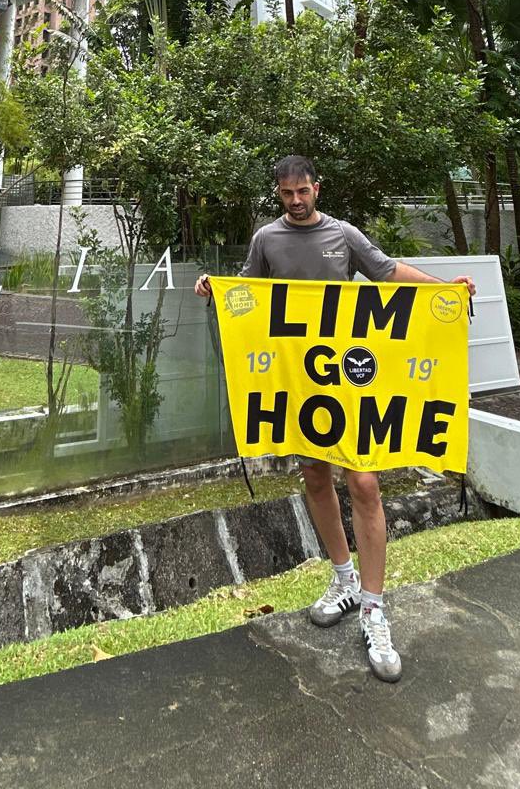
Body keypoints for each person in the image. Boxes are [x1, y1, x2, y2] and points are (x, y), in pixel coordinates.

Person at [195, 155, 476, 683]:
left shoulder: (343, 234)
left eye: (303, 192)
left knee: (364, 483)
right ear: (278, 194)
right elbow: (249, 297)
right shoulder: (267, 240)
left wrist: (445, 290)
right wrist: (217, 289)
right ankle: (343, 579)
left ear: (316, 189)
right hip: (303, 386)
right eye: (287, 195)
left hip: (350, 382)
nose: (296, 202)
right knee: (316, 477)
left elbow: (388, 272)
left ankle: (373, 607)